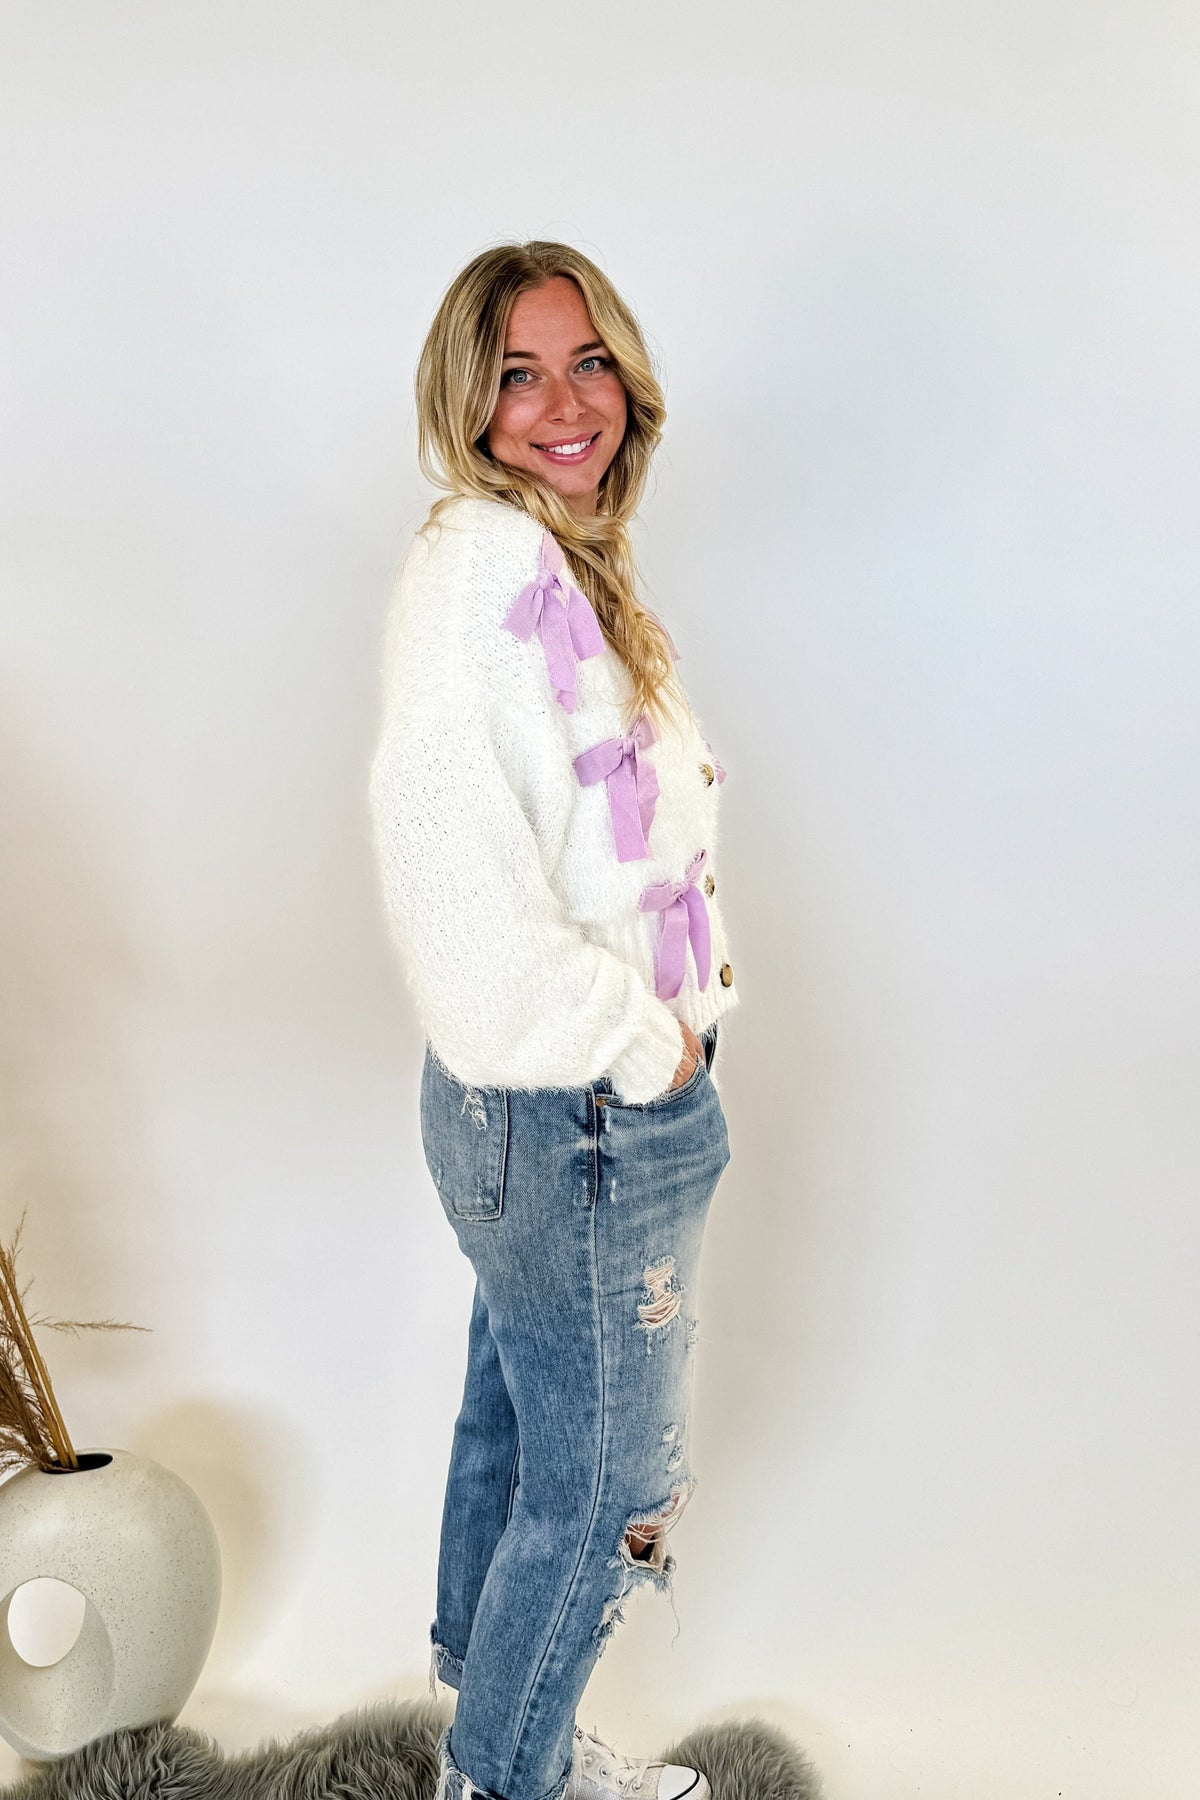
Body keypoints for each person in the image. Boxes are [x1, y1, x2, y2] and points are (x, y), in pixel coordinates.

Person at [369, 241, 739, 1800]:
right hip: (572, 1107)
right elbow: (454, 890)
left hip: (551, 1110)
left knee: (519, 1434)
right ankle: (504, 1778)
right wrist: (638, 1041)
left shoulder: (551, 562)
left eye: (586, 361)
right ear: (470, 402)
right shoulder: (486, 571)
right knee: (602, 1486)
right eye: (517, 373)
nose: (563, 402)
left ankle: (497, 1742)